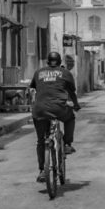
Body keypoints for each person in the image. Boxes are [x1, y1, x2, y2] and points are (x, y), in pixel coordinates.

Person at [30, 51, 81, 183]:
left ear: (48, 61)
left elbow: (34, 88)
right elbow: (71, 92)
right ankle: (67, 144)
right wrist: (75, 104)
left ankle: (42, 170)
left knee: (41, 140)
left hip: (39, 110)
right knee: (70, 118)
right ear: (59, 62)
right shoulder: (65, 73)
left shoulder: (39, 72)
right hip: (58, 108)